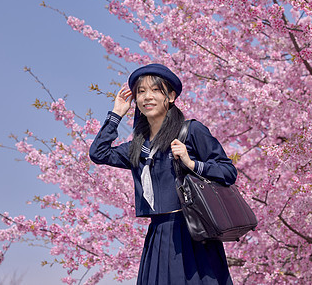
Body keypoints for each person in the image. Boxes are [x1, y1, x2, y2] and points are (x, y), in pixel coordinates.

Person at [89, 63, 237, 285]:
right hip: (158, 234)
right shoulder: (137, 147)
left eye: (155, 90)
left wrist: (191, 163)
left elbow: (228, 171)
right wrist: (117, 113)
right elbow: (98, 153)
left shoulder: (191, 131)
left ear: (170, 96)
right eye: (141, 91)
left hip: (193, 232)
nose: (147, 97)